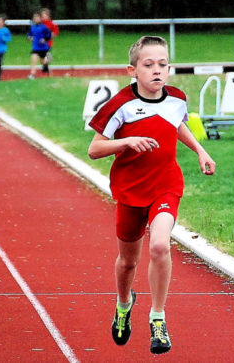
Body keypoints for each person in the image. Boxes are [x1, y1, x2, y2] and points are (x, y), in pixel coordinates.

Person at [87, 36, 215, 355]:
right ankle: (123, 304)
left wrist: (200, 150)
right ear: (132, 70)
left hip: (165, 183)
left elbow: (177, 125)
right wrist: (126, 142)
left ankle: (158, 317)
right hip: (130, 189)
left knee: (159, 245)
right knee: (128, 263)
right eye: (149, 65)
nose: (157, 71)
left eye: (163, 64)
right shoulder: (119, 105)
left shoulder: (177, 99)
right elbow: (94, 149)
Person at [27, 12, 52, 79]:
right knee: (33, 60)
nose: (36, 19)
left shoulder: (44, 27)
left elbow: (49, 35)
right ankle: (32, 74)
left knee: (43, 62)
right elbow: (29, 34)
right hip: (35, 47)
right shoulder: (32, 27)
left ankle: (47, 65)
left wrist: (44, 39)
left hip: (43, 48)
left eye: (37, 18)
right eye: (35, 18)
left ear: (40, 19)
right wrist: (30, 38)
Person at [40, 8, 59, 74]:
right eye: (42, 16)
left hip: (48, 43)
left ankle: (49, 59)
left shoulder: (51, 23)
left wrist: (51, 36)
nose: (43, 17)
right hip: (40, 44)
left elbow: (56, 31)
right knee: (42, 58)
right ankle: (48, 71)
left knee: (45, 57)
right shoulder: (40, 24)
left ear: (48, 16)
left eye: (45, 16)